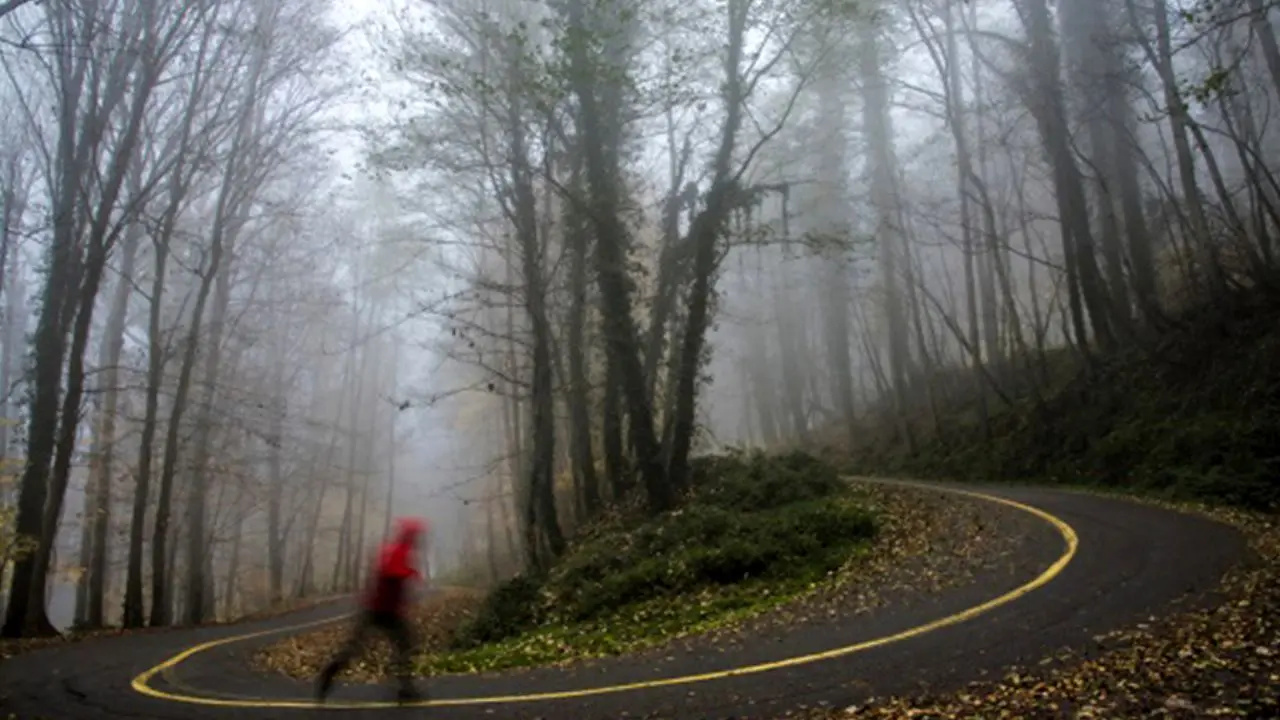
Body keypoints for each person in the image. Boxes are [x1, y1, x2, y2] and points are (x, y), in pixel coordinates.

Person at [316, 517, 428, 704]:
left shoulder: (402, 551)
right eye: (417, 536)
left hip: (388, 611)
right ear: (410, 536)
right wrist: (410, 573)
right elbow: (389, 570)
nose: (419, 540)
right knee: (356, 648)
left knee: (405, 645)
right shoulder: (396, 551)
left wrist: (409, 576)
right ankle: (329, 672)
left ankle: (406, 689)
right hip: (376, 610)